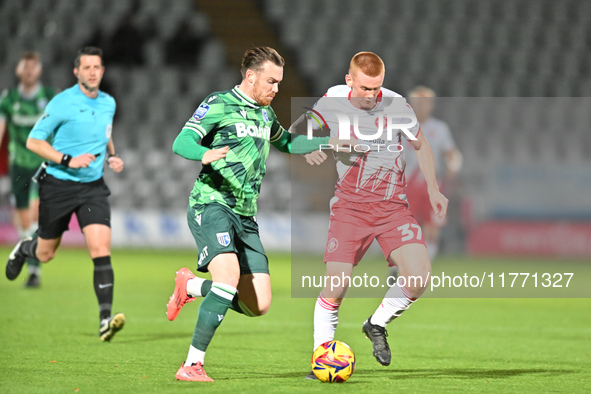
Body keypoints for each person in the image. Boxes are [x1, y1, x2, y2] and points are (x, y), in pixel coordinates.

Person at [166, 46, 350, 382]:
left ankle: (191, 287)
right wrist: (204, 154)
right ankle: (191, 365)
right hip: (212, 204)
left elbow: (288, 144)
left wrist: (327, 142)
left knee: (259, 305)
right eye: (271, 81)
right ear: (250, 77)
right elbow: (182, 142)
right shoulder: (219, 103)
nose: (276, 88)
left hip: (246, 216)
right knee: (227, 279)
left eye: (279, 82)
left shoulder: (265, 115)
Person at [300, 52, 448, 378]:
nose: (371, 95)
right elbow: (303, 134)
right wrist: (316, 144)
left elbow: (421, 145)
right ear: (349, 79)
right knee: (336, 285)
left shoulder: (396, 105)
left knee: (419, 276)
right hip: (350, 208)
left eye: (377, 88)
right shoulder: (331, 100)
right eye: (365, 88)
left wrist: (435, 190)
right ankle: (320, 357)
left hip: (393, 207)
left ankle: (376, 323)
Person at [5, 47, 126, 342]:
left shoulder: (108, 102)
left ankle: (104, 319)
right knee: (46, 253)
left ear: (102, 70)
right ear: (77, 72)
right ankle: (24, 249)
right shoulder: (62, 102)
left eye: (97, 67)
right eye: (87, 67)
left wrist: (112, 155)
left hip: (93, 188)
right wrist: (67, 160)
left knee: (100, 249)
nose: (93, 72)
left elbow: (105, 132)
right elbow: (34, 141)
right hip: (58, 185)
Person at [0, 51, 55, 287]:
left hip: (42, 163)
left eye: (34, 67)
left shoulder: (49, 98)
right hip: (18, 165)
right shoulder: (9, 99)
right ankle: (29, 258)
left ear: (39, 70)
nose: (30, 71)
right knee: (25, 222)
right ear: (18, 71)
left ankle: (34, 273)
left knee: (35, 213)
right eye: (26, 67)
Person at [402, 86, 462, 261]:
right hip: (406, 185)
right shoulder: (402, 126)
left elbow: (451, 153)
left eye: (424, 102)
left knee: (432, 227)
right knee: (406, 226)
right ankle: (399, 266)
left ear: (431, 105)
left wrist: (453, 168)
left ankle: (425, 264)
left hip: (432, 185)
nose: (421, 106)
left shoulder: (440, 128)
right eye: (417, 103)